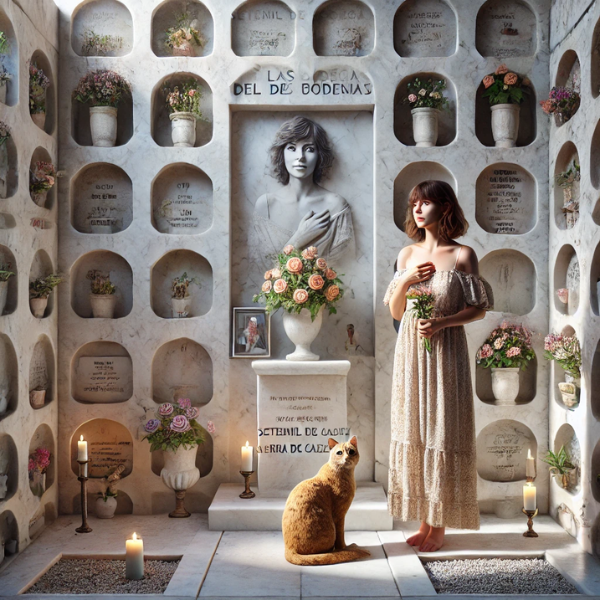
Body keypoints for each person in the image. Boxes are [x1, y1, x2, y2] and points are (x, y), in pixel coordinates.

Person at [383, 180, 494, 552]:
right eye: (415, 202)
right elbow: (396, 312)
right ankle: (424, 520)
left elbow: (479, 307)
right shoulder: (406, 255)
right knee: (415, 428)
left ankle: (440, 524)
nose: (418, 208)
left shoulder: (462, 254)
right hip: (411, 354)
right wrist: (407, 282)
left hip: (445, 353)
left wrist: (444, 323)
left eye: (426, 202)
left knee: (442, 430)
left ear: (445, 207)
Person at [252, 116, 355, 265]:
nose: (300, 157)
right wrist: (299, 238)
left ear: (319, 156)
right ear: (282, 153)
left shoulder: (336, 206)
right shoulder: (266, 205)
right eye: (292, 148)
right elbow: (258, 272)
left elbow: (348, 268)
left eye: (309, 149)